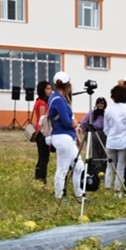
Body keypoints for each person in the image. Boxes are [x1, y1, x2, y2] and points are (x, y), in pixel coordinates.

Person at [47, 71, 86, 203]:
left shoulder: (55, 97)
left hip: (66, 137)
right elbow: (66, 121)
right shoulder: (59, 100)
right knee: (62, 168)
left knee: (79, 166)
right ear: (67, 85)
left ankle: (79, 194)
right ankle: (59, 196)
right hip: (62, 137)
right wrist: (74, 124)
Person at [103, 85, 126, 196]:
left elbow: (106, 128)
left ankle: (107, 188)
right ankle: (117, 191)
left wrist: (110, 135)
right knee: (120, 167)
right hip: (123, 142)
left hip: (110, 142)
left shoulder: (108, 110)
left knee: (109, 166)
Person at [78, 96, 108, 171]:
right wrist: (85, 132)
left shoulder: (106, 114)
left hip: (103, 134)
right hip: (92, 133)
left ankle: (102, 166)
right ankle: (96, 165)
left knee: (103, 150)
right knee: (93, 150)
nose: (100, 105)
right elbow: (83, 122)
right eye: (99, 103)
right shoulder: (92, 113)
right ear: (96, 104)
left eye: (102, 103)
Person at [32, 80, 52, 183]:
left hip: (41, 132)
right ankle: (41, 179)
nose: (50, 91)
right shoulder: (42, 103)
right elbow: (42, 119)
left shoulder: (40, 101)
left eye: (50, 89)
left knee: (42, 158)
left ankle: (38, 178)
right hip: (42, 133)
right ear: (42, 90)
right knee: (44, 158)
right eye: (47, 89)